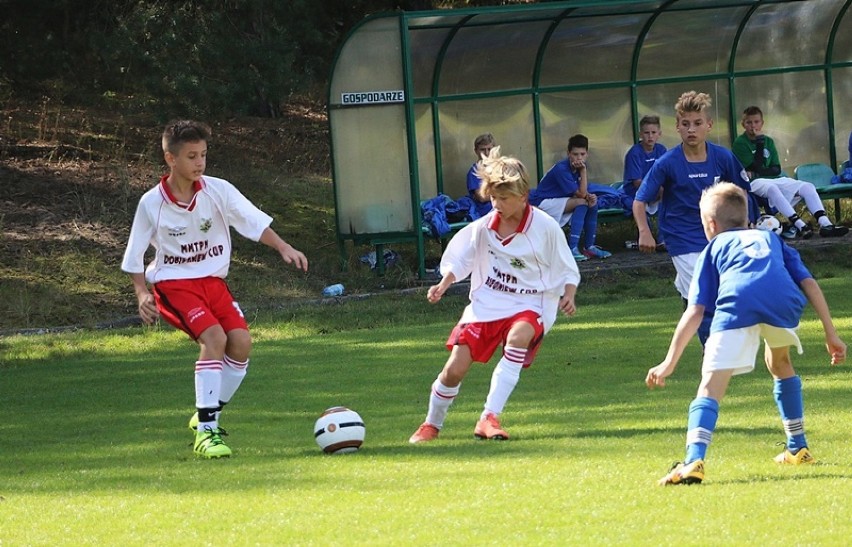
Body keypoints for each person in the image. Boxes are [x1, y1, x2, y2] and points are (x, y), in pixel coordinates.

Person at [121, 120, 309, 459]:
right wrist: (141, 293)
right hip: (174, 285)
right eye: (192, 156)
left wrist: (283, 247)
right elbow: (134, 255)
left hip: (213, 283)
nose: (199, 163)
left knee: (241, 343)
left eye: (203, 155)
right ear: (170, 159)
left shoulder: (218, 190)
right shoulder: (152, 203)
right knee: (215, 340)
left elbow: (253, 221)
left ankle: (204, 414)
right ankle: (207, 432)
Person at [646, 182, 846, 485]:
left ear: (711, 225)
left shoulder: (714, 247)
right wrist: (831, 334)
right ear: (746, 218)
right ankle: (798, 447)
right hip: (785, 303)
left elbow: (696, 310)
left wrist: (669, 361)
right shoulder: (771, 239)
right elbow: (809, 283)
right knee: (780, 362)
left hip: (738, 303)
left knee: (711, 385)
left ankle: (693, 461)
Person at [409, 147, 581, 444]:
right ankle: (431, 425)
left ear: (523, 196)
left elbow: (567, 267)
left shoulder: (545, 227)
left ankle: (489, 416)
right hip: (487, 304)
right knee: (454, 370)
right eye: (493, 198)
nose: (497, 204)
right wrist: (445, 282)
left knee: (518, 337)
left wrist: (569, 294)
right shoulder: (483, 228)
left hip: (533, 301)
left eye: (504, 198)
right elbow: (461, 258)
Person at [633, 91, 754, 343]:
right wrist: (644, 231)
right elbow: (639, 200)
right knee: (706, 297)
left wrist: (746, 224)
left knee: (706, 291)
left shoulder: (722, 156)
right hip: (682, 237)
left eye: (697, 123)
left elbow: (741, 191)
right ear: (677, 127)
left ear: (709, 125)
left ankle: (689, 305)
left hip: (717, 235)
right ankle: (710, 351)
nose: (691, 129)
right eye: (685, 124)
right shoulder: (667, 162)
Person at [732, 106, 848, 239]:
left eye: (756, 122)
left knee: (807, 186)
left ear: (762, 123)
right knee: (772, 188)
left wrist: (759, 170)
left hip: (773, 177)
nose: (753, 126)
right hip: (753, 182)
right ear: (743, 124)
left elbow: (776, 168)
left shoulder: (768, 141)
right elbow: (757, 165)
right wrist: (759, 144)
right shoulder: (740, 143)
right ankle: (800, 225)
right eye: (749, 122)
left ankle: (826, 224)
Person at [529, 134, 612, 262]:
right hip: (542, 202)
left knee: (592, 203)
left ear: (587, 154)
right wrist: (583, 172)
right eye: (575, 154)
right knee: (583, 202)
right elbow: (581, 194)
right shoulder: (562, 169)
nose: (579, 158)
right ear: (568, 153)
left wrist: (590, 197)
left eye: (582, 154)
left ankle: (589, 246)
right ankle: (572, 248)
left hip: (559, 201)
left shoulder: (578, 167)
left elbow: (581, 192)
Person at [622, 115, 667, 247]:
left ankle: (664, 239)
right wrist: (658, 190)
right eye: (646, 133)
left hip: (657, 191)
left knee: (670, 198)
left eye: (653, 133)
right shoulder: (634, 153)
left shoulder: (662, 150)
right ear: (641, 134)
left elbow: (667, 175)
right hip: (635, 194)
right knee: (638, 206)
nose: (650, 136)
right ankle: (647, 239)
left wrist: (663, 189)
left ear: (659, 134)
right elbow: (637, 183)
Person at [466, 133, 496, 218]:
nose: (486, 153)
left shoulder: (500, 167)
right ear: (476, 151)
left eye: (489, 149)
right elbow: (482, 197)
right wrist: (502, 193)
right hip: (486, 213)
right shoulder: (474, 171)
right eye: (482, 149)